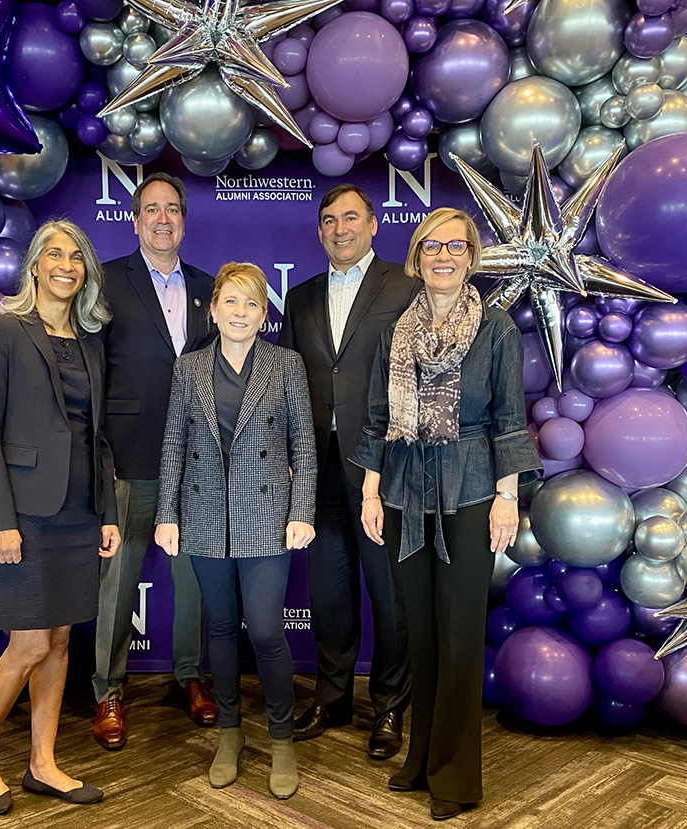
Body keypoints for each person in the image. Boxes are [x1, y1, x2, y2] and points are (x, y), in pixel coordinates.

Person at [353, 208, 542, 820]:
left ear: (470, 256)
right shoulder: (395, 330)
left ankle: (456, 778)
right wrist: (370, 492)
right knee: (421, 631)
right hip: (406, 490)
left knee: (460, 636)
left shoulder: (496, 329)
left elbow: (509, 419)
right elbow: (380, 420)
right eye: (431, 245)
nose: (442, 256)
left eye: (455, 246)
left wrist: (507, 498)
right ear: (417, 254)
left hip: (470, 492)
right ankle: (422, 758)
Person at [0, 220, 121, 814]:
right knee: (28, 642)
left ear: (85, 272)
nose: (66, 264)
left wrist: (106, 511)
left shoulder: (89, 340)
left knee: (58, 640)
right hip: (24, 513)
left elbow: (97, 435)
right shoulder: (1, 331)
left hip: (79, 510)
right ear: (34, 265)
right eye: (54, 253)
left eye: (77, 256)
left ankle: (42, 763)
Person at [154, 263, 317, 799]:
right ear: (213, 308)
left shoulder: (286, 364)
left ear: (263, 313)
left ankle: (282, 738)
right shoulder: (189, 368)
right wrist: (167, 515)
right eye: (231, 302)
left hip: (268, 517)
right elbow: (174, 444)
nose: (240, 312)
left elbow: (304, 447)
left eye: (251, 303)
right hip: (204, 518)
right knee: (220, 630)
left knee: (267, 632)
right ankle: (230, 733)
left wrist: (303, 512)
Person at [278, 183, 416, 759]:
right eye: (329, 220)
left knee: (388, 593)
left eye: (351, 218)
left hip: (381, 465)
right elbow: (285, 379)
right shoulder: (301, 297)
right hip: (316, 467)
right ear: (320, 230)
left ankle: (389, 709)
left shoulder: (405, 287)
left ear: (373, 225)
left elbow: (415, 378)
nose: (340, 228)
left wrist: (387, 464)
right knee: (330, 591)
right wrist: (286, 451)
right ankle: (332, 697)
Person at [92, 172, 217, 749]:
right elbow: (92, 376)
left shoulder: (207, 287)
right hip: (128, 457)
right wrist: (100, 456)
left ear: (183, 221)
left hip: (195, 466)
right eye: (152, 210)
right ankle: (108, 690)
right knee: (117, 582)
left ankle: (191, 676)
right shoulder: (106, 282)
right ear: (136, 220)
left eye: (172, 209)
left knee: (192, 581)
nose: (163, 219)